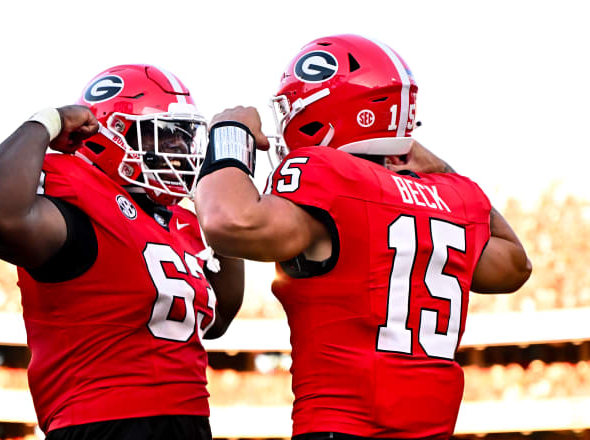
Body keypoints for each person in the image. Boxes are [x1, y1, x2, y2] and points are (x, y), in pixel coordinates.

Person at [195, 34, 532, 440]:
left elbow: (230, 222)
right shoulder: (455, 195)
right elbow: (516, 265)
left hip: (342, 427)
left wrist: (229, 136)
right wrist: (445, 169)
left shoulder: (327, 174)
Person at [0, 64, 244, 440]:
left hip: (189, 421)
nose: (180, 149)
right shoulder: (80, 196)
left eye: (184, 137)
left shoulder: (179, 221)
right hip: (102, 423)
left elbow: (218, 319)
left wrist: (221, 209)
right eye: (165, 135)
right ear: (110, 137)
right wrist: (44, 122)